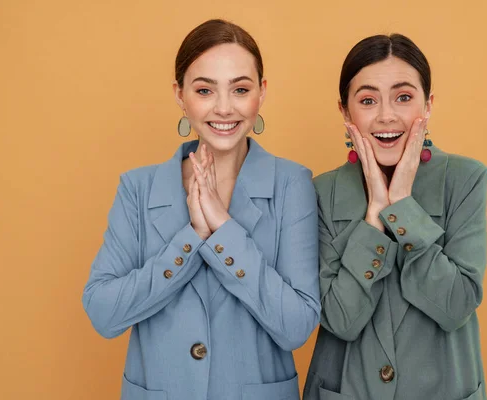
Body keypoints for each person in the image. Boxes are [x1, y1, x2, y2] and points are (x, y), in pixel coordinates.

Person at [82, 19, 320, 400]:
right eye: (205, 90)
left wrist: (223, 229)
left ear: (261, 92)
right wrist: (191, 237)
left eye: (240, 89)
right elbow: (103, 313)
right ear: (180, 94)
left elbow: (296, 326)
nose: (224, 108)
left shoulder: (292, 184)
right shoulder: (138, 188)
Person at [304, 34, 487, 400]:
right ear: (345, 111)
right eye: (368, 100)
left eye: (403, 97)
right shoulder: (320, 192)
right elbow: (341, 320)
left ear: (428, 104)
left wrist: (401, 204)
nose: (387, 116)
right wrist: (375, 216)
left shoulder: (466, 180)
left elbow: (455, 306)